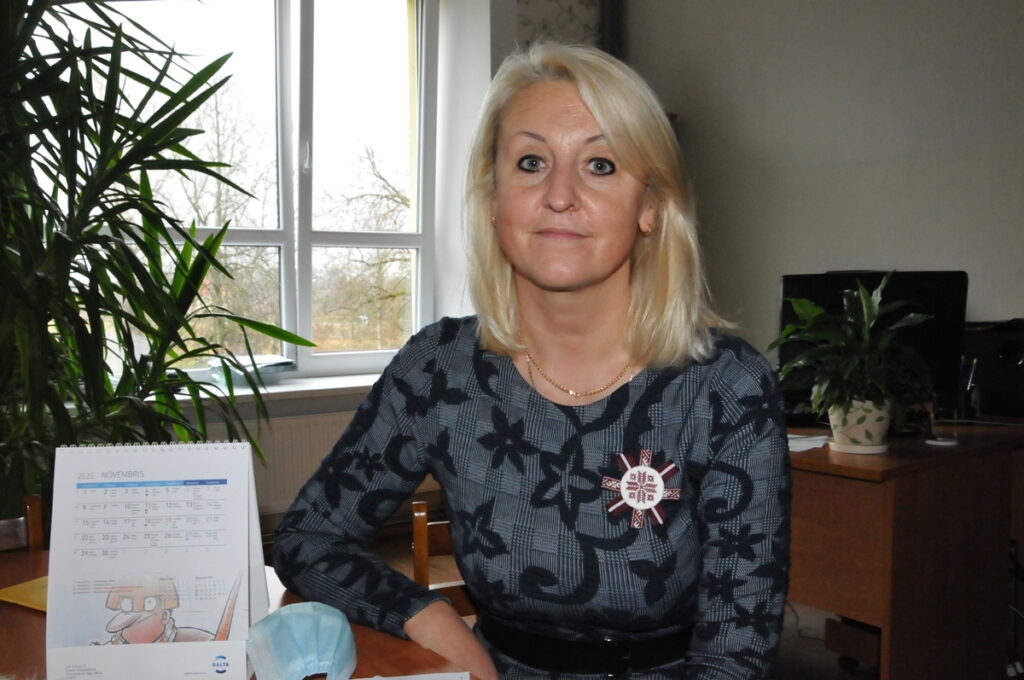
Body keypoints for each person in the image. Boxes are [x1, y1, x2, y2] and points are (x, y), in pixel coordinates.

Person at [274, 42, 790, 679]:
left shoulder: (726, 387)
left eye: (600, 164)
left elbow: (737, 653)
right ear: (494, 198)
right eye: (531, 162)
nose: (560, 195)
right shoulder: (440, 369)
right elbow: (308, 535)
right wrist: (426, 614)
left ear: (651, 205)